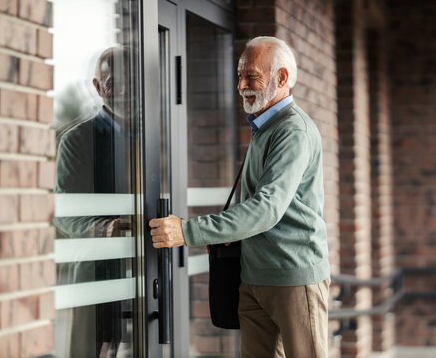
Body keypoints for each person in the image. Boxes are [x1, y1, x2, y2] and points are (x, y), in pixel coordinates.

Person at [150, 36, 330, 358]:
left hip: (293, 278)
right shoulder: (264, 126)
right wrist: (231, 236)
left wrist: (187, 231)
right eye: (239, 75)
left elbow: (267, 208)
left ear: (282, 78)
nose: (242, 85)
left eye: (252, 76)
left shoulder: (292, 131)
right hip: (253, 277)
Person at [55, 46, 133, 357]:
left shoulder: (155, 136)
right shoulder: (77, 140)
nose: (124, 89)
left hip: (148, 270)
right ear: (98, 87)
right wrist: (106, 228)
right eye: (113, 82)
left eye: (130, 80)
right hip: (99, 272)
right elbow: (64, 212)